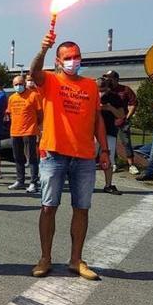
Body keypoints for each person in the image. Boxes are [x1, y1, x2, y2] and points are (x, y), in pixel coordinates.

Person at [29, 33, 109, 280]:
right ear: (58, 60)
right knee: (48, 208)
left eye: (77, 57)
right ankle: (45, 258)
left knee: (81, 209)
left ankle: (76, 260)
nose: (73, 61)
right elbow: (34, 73)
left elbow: (97, 120)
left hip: (84, 157)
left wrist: (104, 150)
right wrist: (42, 51)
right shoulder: (50, 81)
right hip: (54, 155)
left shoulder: (90, 85)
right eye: (68, 57)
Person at [6, 75, 42, 193]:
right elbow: (9, 113)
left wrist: (37, 125)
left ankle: (33, 182)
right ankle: (20, 180)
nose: (18, 86)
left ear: (24, 83)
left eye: (20, 83)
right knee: (18, 157)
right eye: (16, 84)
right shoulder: (11, 98)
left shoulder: (33, 95)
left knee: (32, 158)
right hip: (15, 131)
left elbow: (40, 114)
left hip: (30, 131)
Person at [102, 70, 139, 174]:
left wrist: (127, 117)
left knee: (126, 142)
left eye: (110, 78)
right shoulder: (105, 90)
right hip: (108, 121)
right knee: (111, 144)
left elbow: (133, 103)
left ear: (116, 79)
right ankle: (113, 163)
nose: (107, 80)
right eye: (106, 78)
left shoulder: (125, 90)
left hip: (122, 120)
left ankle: (131, 165)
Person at [97, 78, 126, 194]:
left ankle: (108, 184)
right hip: (90, 132)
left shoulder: (114, 97)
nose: (100, 92)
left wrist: (110, 108)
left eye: (103, 90)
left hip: (109, 131)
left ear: (108, 88)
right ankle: (82, 183)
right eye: (98, 89)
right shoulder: (89, 94)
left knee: (108, 159)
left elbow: (121, 115)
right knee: (86, 159)